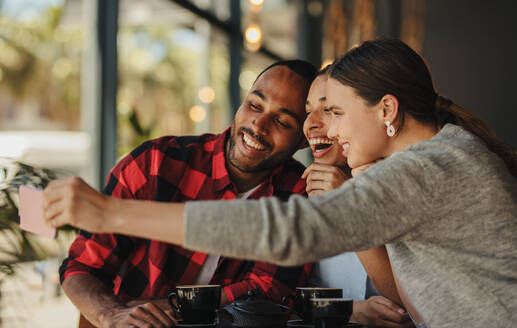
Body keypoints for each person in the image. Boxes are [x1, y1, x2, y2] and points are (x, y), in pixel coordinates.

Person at [43, 39, 517, 328]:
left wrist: (110, 212)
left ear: (387, 111)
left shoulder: (428, 168)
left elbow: (291, 231)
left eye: (334, 112)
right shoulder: (437, 159)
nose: (325, 131)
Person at [57, 60, 317, 328]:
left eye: (282, 121)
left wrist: (167, 306)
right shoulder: (154, 164)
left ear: (302, 139)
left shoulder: (299, 194)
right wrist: (111, 314)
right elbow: (82, 266)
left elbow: (270, 290)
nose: (258, 126)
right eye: (254, 105)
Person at [302, 68, 412, 328]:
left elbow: (419, 296)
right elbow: (301, 290)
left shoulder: (406, 183)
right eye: (308, 111)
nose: (310, 123)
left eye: (330, 110)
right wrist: (350, 310)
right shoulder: (311, 194)